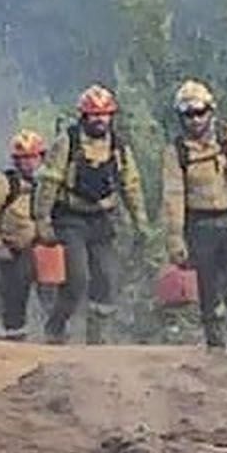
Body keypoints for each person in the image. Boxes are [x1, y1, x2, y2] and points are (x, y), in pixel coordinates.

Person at [35, 86, 147, 345]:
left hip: (102, 218)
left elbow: (131, 184)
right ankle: (56, 326)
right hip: (71, 218)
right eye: (94, 114)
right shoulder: (68, 142)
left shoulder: (118, 146)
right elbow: (49, 182)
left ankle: (97, 339)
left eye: (105, 114)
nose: (100, 120)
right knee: (77, 278)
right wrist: (42, 220)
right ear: (83, 116)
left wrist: (141, 222)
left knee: (106, 277)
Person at [160, 80, 227, 354]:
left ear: (211, 111)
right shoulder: (176, 152)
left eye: (200, 112)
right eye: (189, 115)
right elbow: (173, 198)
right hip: (199, 224)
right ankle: (215, 340)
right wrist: (175, 239)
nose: (195, 120)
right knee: (209, 282)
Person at [0, 130, 47, 340]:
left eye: (33, 157)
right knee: (9, 293)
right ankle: (9, 339)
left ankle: (54, 332)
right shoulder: (5, 183)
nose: (29, 163)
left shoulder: (47, 185)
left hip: (34, 248)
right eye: (23, 159)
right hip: (5, 249)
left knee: (38, 289)